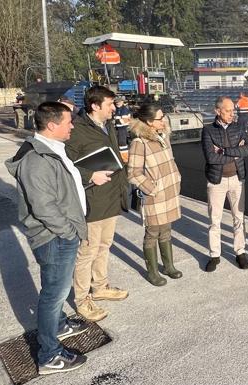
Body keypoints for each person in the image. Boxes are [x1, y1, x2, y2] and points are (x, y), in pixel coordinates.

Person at [5, 102, 89, 375]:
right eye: (68, 122)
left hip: (61, 235)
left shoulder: (52, 149)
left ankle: (60, 324)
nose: (72, 126)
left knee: (54, 288)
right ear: (52, 125)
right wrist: (68, 232)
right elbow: (44, 207)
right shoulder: (36, 159)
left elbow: (64, 189)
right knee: (54, 295)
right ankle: (49, 355)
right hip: (54, 237)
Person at [65, 85, 129, 322]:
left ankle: (100, 286)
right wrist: (89, 176)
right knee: (87, 252)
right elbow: (66, 165)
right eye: (110, 104)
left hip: (111, 196)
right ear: (95, 105)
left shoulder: (108, 125)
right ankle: (82, 300)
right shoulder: (77, 130)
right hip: (92, 200)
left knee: (104, 245)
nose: (114, 108)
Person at [127, 104, 182, 286]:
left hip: (169, 193)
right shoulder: (139, 143)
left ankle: (168, 266)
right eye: (160, 118)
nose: (164, 120)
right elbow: (133, 173)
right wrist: (153, 189)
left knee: (166, 231)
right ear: (150, 122)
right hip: (154, 196)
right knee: (152, 233)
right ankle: (152, 272)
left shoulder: (163, 137)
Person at [201, 96, 248, 272]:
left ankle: (240, 252)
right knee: (215, 220)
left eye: (233, 110)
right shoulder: (208, 131)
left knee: (239, 218)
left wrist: (223, 151)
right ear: (218, 111)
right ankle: (214, 255)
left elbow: (246, 150)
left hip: (237, 179)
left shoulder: (238, 127)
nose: (232, 114)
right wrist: (235, 153)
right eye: (228, 110)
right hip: (217, 181)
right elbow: (211, 158)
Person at [114, 96, 131, 163]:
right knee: (119, 144)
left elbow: (125, 121)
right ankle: (121, 158)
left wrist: (115, 121)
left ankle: (125, 159)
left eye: (118, 102)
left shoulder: (124, 110)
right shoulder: (117, 109)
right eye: (116, 102)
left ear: (122, 102)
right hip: (118, 129)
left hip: (122, 129)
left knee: (122, 145)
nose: (117, 103)